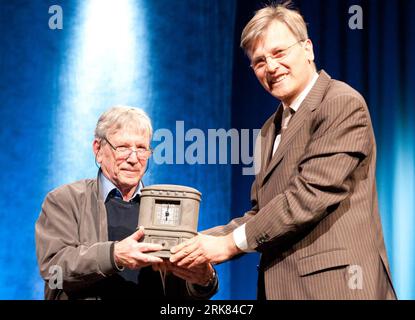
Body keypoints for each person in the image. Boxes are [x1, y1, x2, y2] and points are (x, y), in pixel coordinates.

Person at [170, 2, 396, 300]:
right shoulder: (268, 129)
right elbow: (262, 213)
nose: (271, 67)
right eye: (259, 61)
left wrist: (227, 245)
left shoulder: (341, 103)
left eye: (279, 53)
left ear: (308, 49)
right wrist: (197, 242)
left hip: (336, 287)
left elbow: (308, 197)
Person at [35, 106, 218, 300]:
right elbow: (54, 269)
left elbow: (183, 291)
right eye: (122, 147)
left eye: (141, 148)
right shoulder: (65, 200)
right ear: (98, 149)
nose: (133, 159)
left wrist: (205, 279)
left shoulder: (167, 208)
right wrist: (114, 255)